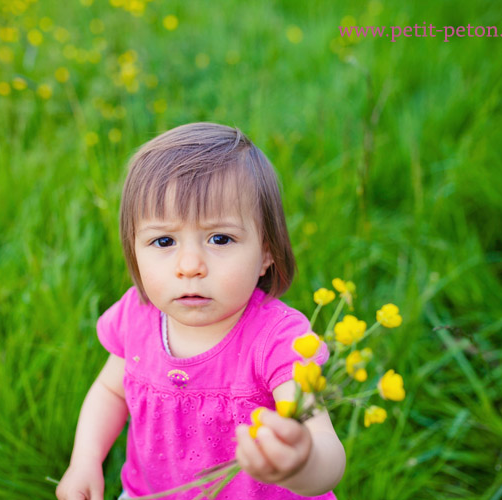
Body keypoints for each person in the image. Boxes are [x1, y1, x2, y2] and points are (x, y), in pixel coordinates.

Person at [56, 123, 345, 499]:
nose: (190, 264)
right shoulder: (137, 317)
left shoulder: (277, 339)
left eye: (220, 238)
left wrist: (302, 463)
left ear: (267, 252)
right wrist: (85, 460)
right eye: (164, 240)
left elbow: (323, 443)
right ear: (133, 249)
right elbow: (111, 392)